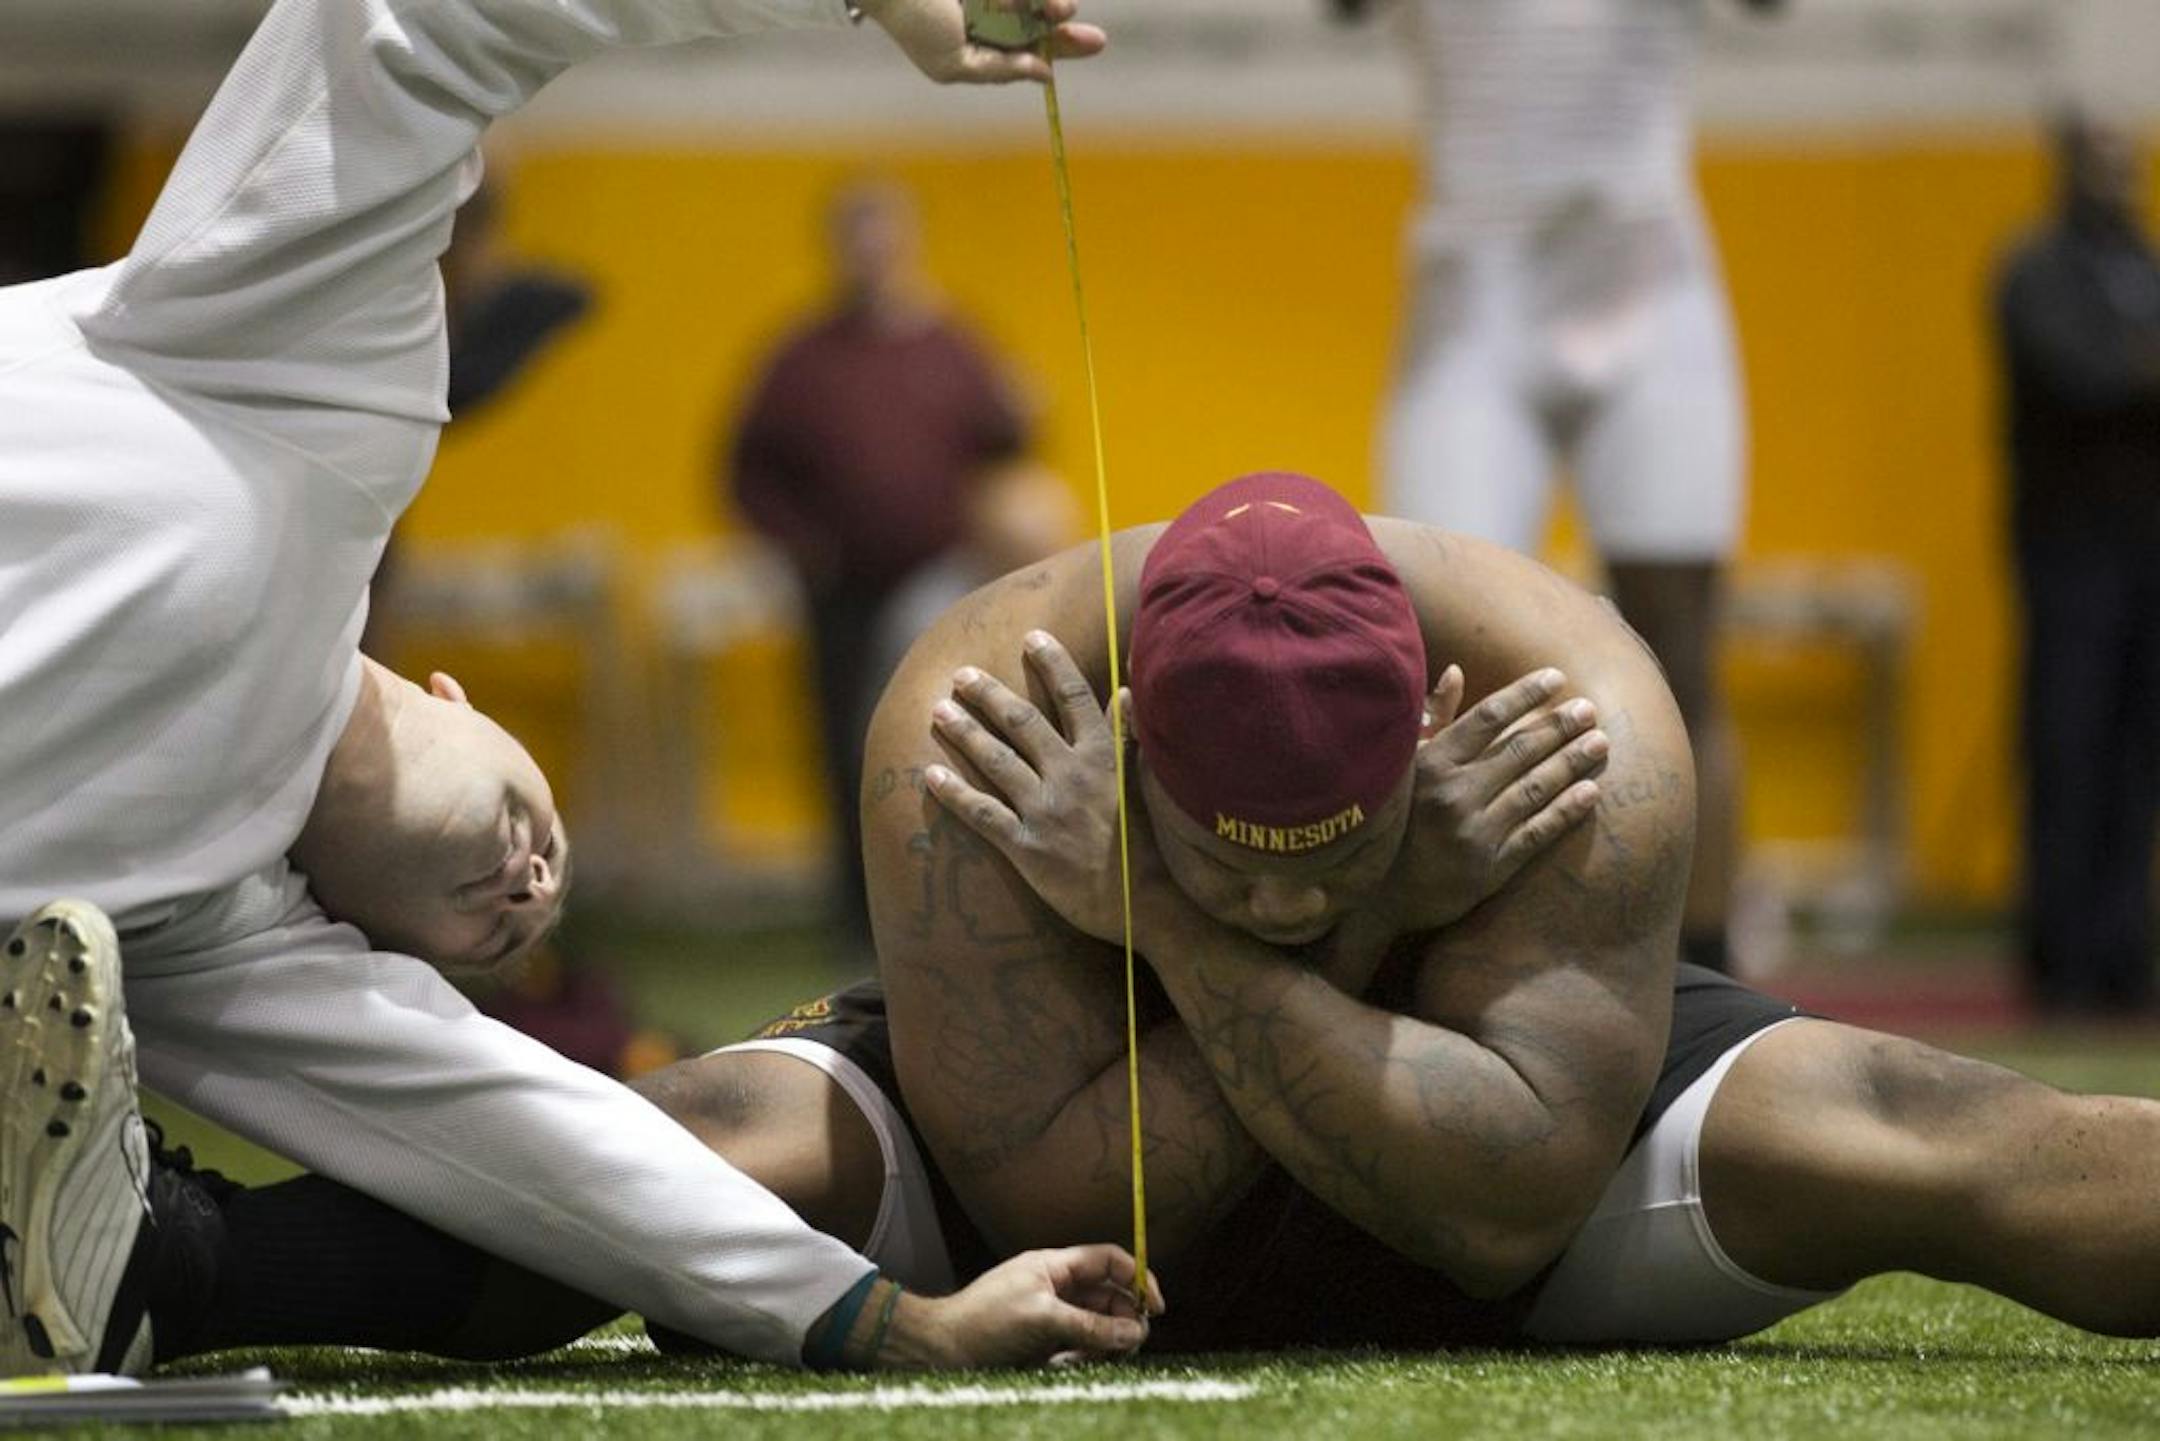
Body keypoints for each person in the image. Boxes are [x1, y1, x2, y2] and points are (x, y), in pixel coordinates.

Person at [127, 472, 2160, 1362]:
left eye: (1331, 856)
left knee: (1916, 1121)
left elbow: (1507, 1206)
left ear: (1430, 736)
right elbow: (1049, 1198)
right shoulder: (972, 714)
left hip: (1502, 1135)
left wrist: (1181, 925)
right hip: (1065, 1145)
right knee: (692, 1151)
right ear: (1123, 746)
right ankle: (170, 1257)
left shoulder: (1582, 719)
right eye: (1224, 853)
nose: (1278, 889)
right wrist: (1351, 924)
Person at [0, 0, 1143, 1380]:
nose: (535, 892)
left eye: (502, 940)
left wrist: (899, 1322)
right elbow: (429, 19)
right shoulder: (302, 399)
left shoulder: (206, 938)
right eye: (554, 861)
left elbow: (549, 1146)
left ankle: (141, 1261)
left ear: (369, 944)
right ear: (459, 695)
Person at [1332, 0, 1783, 975]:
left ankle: (1707, 975)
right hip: (1474, 290)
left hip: (1647, 273)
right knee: (1443, 648)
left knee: (1681, 651)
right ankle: (1452, 961)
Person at [726, 177, 1035, 964]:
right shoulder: (802, 358)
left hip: (944, 591)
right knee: (849, 750)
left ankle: (948, 903)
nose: (872, 251)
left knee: (941, 739)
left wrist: (1022, 409)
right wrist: (801, 544)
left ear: (906, 241)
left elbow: (1009, 442)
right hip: (841, 594)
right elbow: (744, 468)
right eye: (857, 235)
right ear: (837, 247)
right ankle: (857, 921)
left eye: (884, 233)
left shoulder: (950, 344)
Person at [1994, 112, 2160, 1017]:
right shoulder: (2035, 271)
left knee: (2136, 758)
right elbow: (2078, 375)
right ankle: (2059, 956)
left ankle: (2123, 952)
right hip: (2068, 556)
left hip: (2147, 557)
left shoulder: (2145, 268)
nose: (2120, 178)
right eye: (2103, 160)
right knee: (2067, 748)